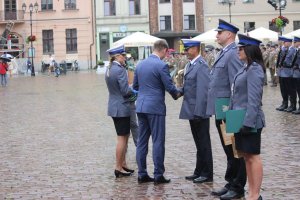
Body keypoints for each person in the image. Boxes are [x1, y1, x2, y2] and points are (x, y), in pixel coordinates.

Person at [206, 19, 246, 200]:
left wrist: (233, 111)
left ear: (229, 34)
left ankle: (237, 186)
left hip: (229, 109)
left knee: (235, 149)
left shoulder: (232, 54)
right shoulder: (225, 53)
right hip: (221, 108)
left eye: (219, 32)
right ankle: (230, 181)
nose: (217, 35)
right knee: (228, 149)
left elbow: (236, 83)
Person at [133, 39, 181, 184]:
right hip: (155, 108)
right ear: (165, 50)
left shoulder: (140, 64)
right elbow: (170, 87)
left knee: (142, 142)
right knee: (158, 141)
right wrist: (180, 92)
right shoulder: (161, 65)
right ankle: (158, 174)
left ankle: (142, 174)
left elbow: (135, 86)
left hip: (141, 106)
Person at [231, 34, 265, 200]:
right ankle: (251, 193)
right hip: (239, 119)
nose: (238, 51)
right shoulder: (245, 67)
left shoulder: (255, 69)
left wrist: (248, 122)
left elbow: (254, 100)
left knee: (253, 156)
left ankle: (255, 194)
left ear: (249, 50)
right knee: (246, 157)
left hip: (249, 120)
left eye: (241, 48)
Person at [179, 39, 213, 184]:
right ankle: (199, 170)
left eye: (188, 49)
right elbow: (189, 87)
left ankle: (207, 173)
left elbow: (203, 92)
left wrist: (199, 112)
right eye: (185, 49)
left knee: (204, 142)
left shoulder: (201, 66)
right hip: (192, 109)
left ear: (196, 49)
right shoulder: (190, 65)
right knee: (198, 142)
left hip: (199, 111)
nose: (186, 52)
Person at [105, 45, 136, 178]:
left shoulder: (110, 68)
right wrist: (134, 90)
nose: (125, 58)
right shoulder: (119, 70)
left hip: (114, 105)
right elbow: (125, 91)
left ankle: (123, 163)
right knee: (122, 138)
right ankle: (118, 166)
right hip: (122, 107)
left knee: (125, 136)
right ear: (117, 56)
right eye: (123, 55)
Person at [275, 36, 297, 112]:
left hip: (288, 73)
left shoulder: (293, 50)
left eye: (284, 42)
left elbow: (291, 61)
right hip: (282, 72)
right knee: (283, 89)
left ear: (289, 42)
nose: (283, 44)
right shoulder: (284, 49)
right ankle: (284, 103)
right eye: (283, 42)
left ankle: (292, 105)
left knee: (290, 89)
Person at [292, 36, 300, 115]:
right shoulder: (297, 50)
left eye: (295, 42)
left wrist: (297, 66)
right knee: (298, 90)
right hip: (297, 74)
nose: (294, 43)